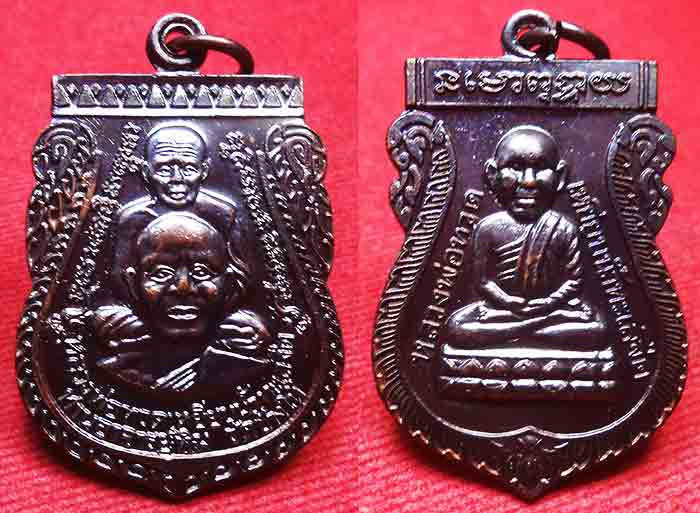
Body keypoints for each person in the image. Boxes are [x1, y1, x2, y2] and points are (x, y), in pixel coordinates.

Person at [444, 125, 606, 349]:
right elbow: (482, 281)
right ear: (492, 175)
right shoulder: (488, 228)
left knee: (599, 329)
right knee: (456, 327)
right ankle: (535, 328)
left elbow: (574, 281)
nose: (529, 181)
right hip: (502, 310)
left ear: (560, 177)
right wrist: (508, 301)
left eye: (540, 168)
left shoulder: (563, 228)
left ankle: (523, 329)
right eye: (515, 167)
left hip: (551, 309)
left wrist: (547, 303)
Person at [95, 212, 270, 393]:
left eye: (202, 272)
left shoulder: (241, 362)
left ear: (229, 283)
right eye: (161, 273)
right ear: (133, 284)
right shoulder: (121, 366)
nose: (183, 287)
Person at [109, 123, 244, 302]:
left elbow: (240, 279)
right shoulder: (132, 220)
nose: (177, 179)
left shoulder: (223, 216)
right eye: (164, 169)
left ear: (204, 171)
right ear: (146, 171)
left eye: (189, 169)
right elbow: (120, 280)